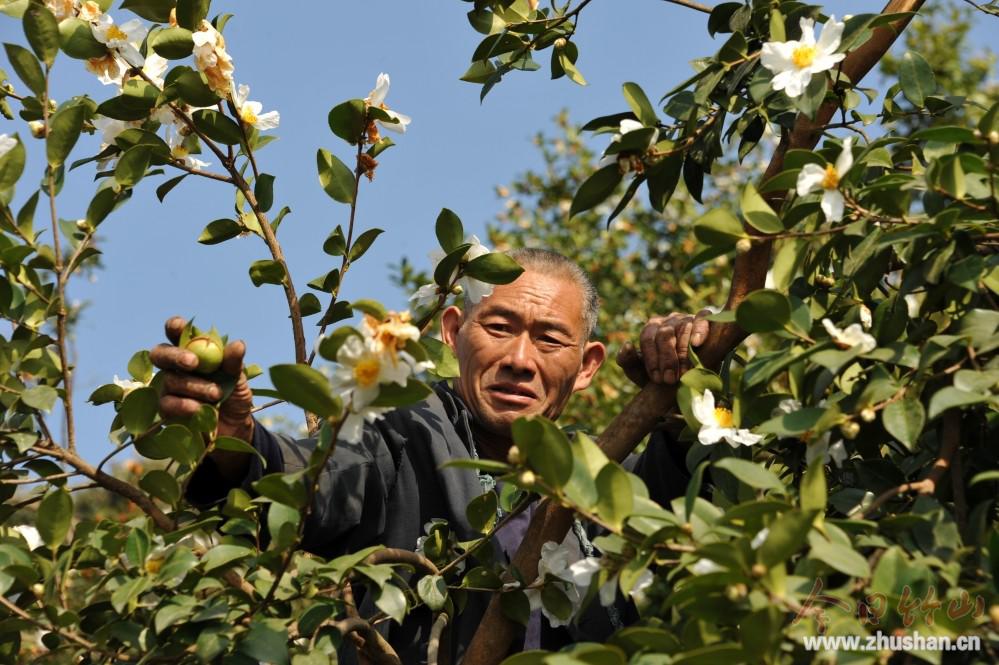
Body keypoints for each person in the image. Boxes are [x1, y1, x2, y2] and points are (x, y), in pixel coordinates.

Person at [150, 248, 709, 663]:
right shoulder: (401, 429)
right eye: (499, 327)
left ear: (587, 366)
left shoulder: (599, 475)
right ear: (452, 331)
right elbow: (309, 483)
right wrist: (237, 442)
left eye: (549, 339)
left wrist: (688, 381)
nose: (519, 358)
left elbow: (691, 494)